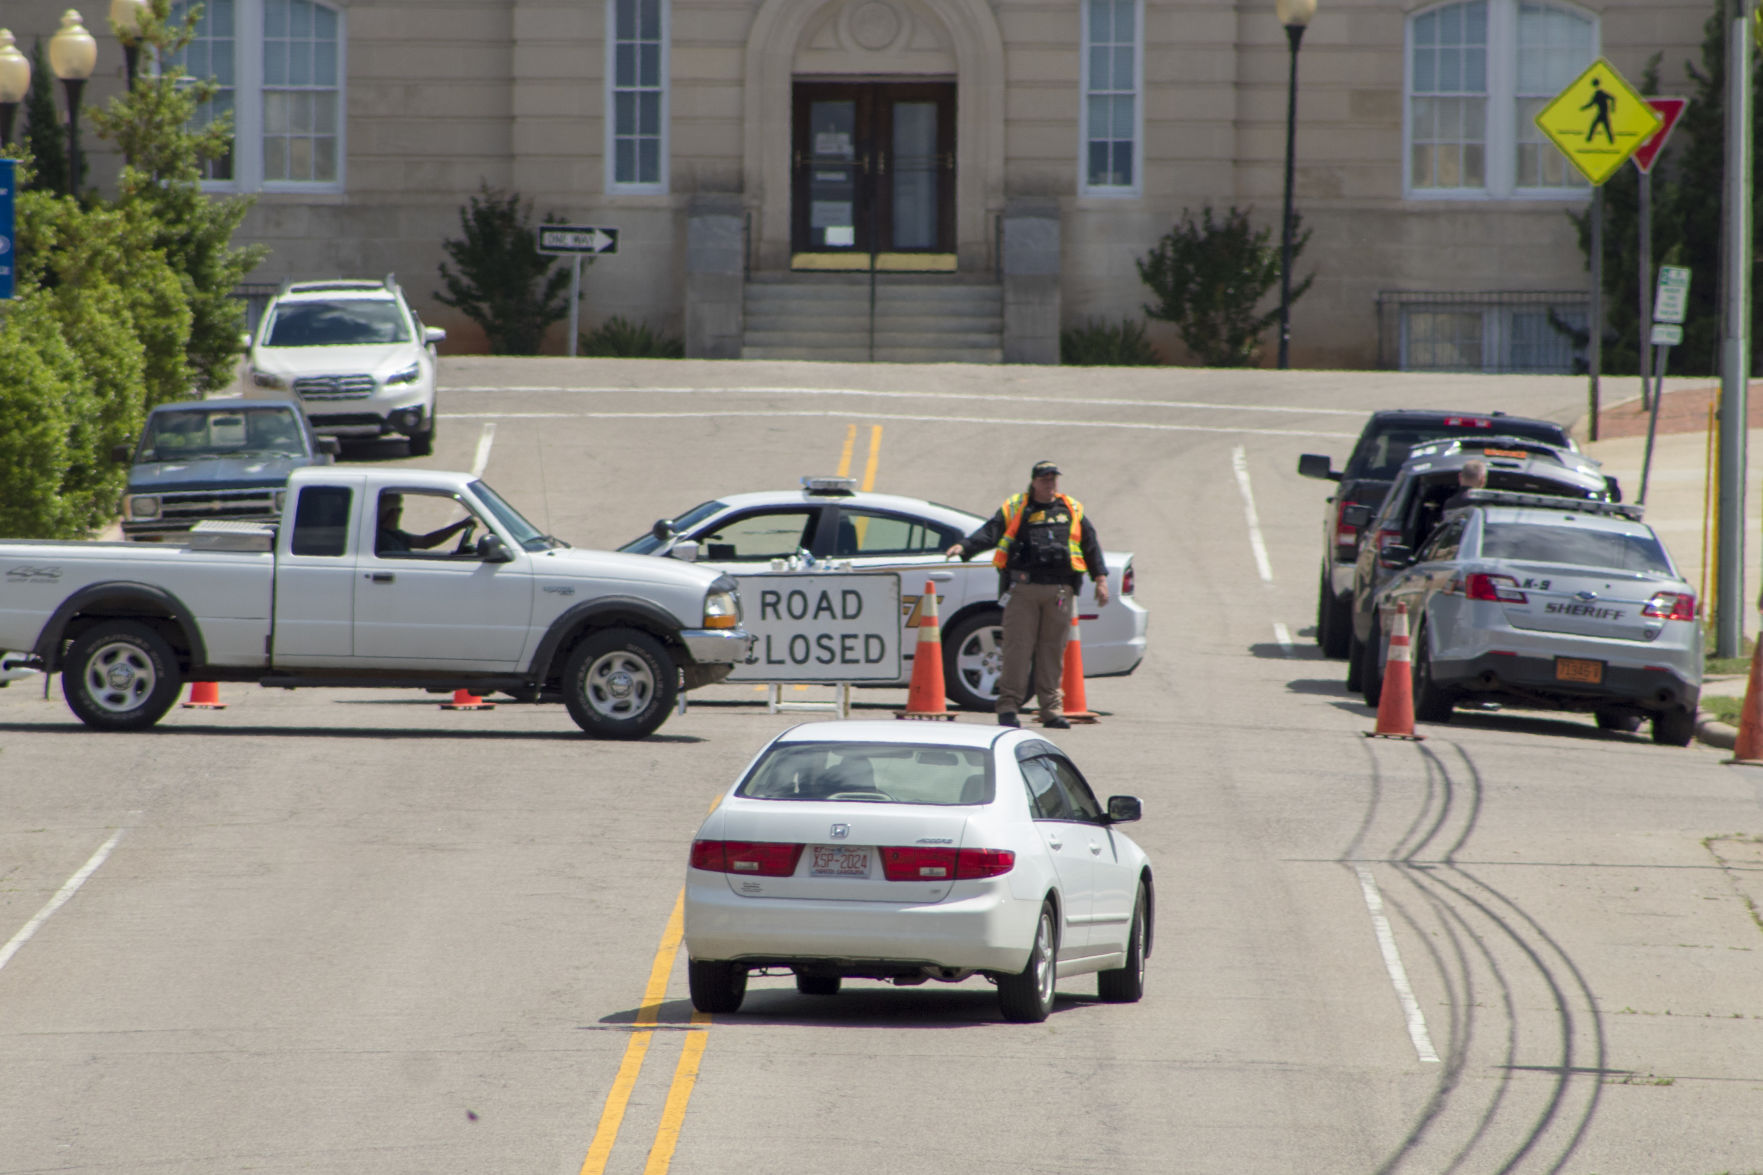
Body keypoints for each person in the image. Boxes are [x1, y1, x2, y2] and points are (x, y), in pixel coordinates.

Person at [945, 460, 1109, 729]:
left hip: (1059, 592)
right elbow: (990, 532)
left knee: (1052, 652)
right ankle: (1008, 707)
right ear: (1033, 481)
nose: (1050, 483)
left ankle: (1051, 710)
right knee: (1016, 651)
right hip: (1023, 590)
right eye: (1044, 479)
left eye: (1053, 479)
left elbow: (1090, 545)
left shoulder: (1071, 509)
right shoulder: (1016, 507)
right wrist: (964, 547)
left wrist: (1100, 580)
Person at [376, 493, 474, 555]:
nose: (400, 513)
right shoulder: (381, 540)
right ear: (390, 513)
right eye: (398, 510)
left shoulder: (397, 536)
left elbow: (426, 541)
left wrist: (459, 526)